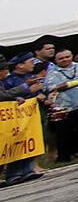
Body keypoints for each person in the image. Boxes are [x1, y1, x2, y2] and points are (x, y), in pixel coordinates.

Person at [41, 46, 78, 163]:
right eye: (61, 58)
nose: (65, 59)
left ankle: (75, 149)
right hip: (64, 108)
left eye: (67, 57)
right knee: (64, 133)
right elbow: (52, 87)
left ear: (72, 56)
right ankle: (63, 157)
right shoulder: (52, 73)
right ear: (56, 60)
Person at [2, 55, 47, 184]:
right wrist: (26, 89)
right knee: (11, 145)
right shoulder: (9, 80)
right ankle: (13, 174)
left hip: (25, 115)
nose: (6, 72)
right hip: (10, 119)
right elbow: (4, 95)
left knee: (26, 142)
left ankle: (26, 171)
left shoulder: (28, 77)